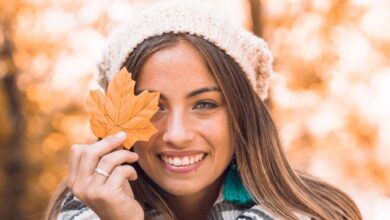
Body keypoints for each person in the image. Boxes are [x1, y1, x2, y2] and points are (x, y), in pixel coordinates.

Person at [46, 1, 362, 219]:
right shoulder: (84, 211)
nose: (178, 134)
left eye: (205, 104)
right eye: (153, 106)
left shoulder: (316, 214)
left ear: (243, 116)